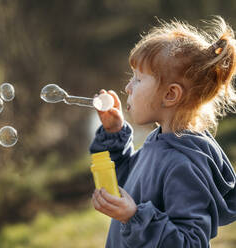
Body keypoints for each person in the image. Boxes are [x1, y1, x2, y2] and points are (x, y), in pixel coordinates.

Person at [90, 16, 236, 248]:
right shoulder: (159, 141)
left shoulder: (183, 164)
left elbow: (190, 243)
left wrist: (134, 217)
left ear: (170, 95)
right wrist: (114, 133)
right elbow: (127, 183)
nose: (128, 87)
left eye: (138, 79)